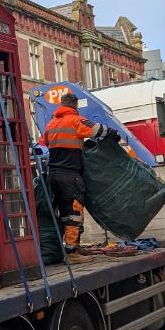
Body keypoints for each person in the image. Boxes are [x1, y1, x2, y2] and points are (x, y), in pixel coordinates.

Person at [41, 93, 119, 264]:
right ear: (75, 105)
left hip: (53, 174)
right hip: (70, 175)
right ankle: (72, 253)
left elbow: (45, 142)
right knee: (73, 213)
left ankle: (72, 246)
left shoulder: (51, 124)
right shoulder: (76, 120)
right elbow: (97, 130)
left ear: (61, 105)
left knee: (62, 212)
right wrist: (113, 134)